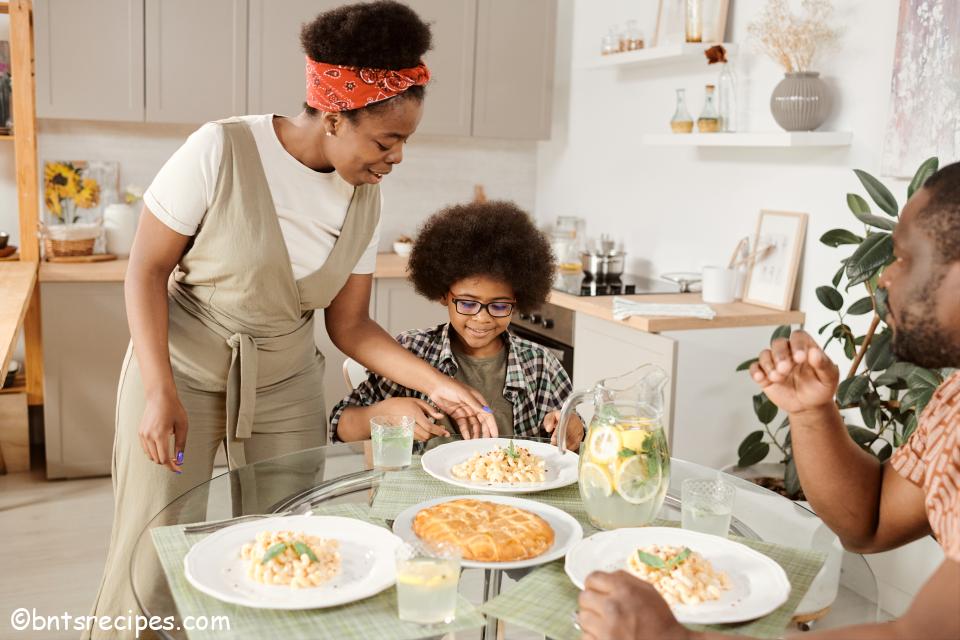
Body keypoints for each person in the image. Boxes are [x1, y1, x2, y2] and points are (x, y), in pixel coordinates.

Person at [87, 2, 497, 636]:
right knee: (153, 556)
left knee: (288, 547)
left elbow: (351, 326)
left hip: (285, 382)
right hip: (180, 369)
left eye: (404, 142)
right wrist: (159, 389)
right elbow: (144, 271)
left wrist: (436, 383)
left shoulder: (367, 195)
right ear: (335, 116)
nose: (396, 158)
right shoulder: (220, 148)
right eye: (386, 140)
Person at [576, 161, 960, 640]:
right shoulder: (953, 400)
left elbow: (920, 635)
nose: (883, 279)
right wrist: (811, 411)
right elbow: (871, 522)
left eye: (904, 257)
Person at [330, 200, 584, 451]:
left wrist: (573, 427)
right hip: (423, 491)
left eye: (498, 305)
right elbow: (339, 425)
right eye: (467, 303)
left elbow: (575, 433)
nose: (482, 318)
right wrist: (383, 414)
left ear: (517, 302)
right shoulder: (410, 352)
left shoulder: (541, 365)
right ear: (443, 294)